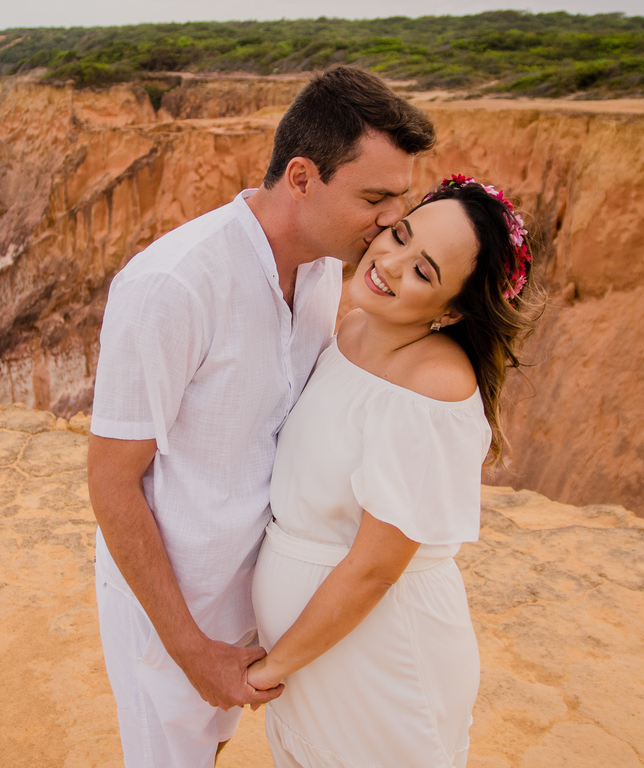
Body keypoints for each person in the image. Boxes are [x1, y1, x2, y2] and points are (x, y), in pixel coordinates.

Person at [86, 66, 436, 767]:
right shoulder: (173, 285)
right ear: (302, 177)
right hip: (175, 611)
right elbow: (111, 482)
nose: (392, 222)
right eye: (374, 197)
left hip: (263, 601)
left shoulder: (320, 270)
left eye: (401, 199)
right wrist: (189, 649)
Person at [245, 174, 539, 768]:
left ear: (455, 310)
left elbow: (375, 568)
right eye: (400, 236)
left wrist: (272, 667)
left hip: (380, 658)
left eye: (423, 271)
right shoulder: (353, 329)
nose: (390, 262)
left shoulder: (431, 387)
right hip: (315, 653)